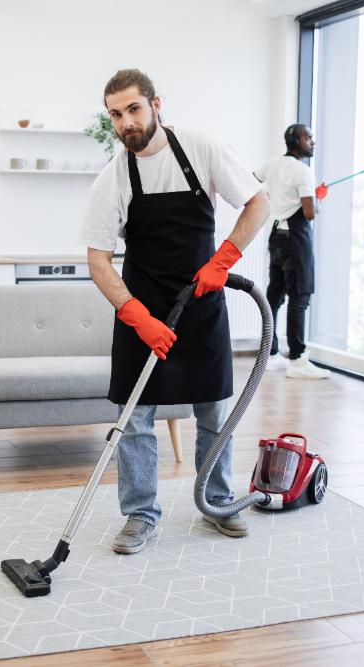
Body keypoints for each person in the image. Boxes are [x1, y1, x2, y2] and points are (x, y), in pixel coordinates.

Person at [79, 69, 270, 555]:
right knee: (136, 418)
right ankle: (140, 515)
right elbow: (98, 260)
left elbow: (257, 202)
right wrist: (134, 315)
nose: (126, 122)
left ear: (156, 103)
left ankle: (217, 501)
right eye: (116, 115)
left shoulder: (202, 148)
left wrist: (223, 260)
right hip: (142, 308)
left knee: (213, 411)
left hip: (202, 303)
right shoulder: (113, 177)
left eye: (134, 109)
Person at [253, 124, 331, 379]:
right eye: (308, 138)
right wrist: (317, 197)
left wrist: (272, 197)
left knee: (274, 297)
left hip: (275, 237)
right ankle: (297, 359)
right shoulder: (302, 172)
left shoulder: (273, 164)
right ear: (296, 141)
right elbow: (309, 213)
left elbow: (250, 180)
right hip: (295, 241)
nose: (313, 142)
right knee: (300, 296)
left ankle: (271, 351)